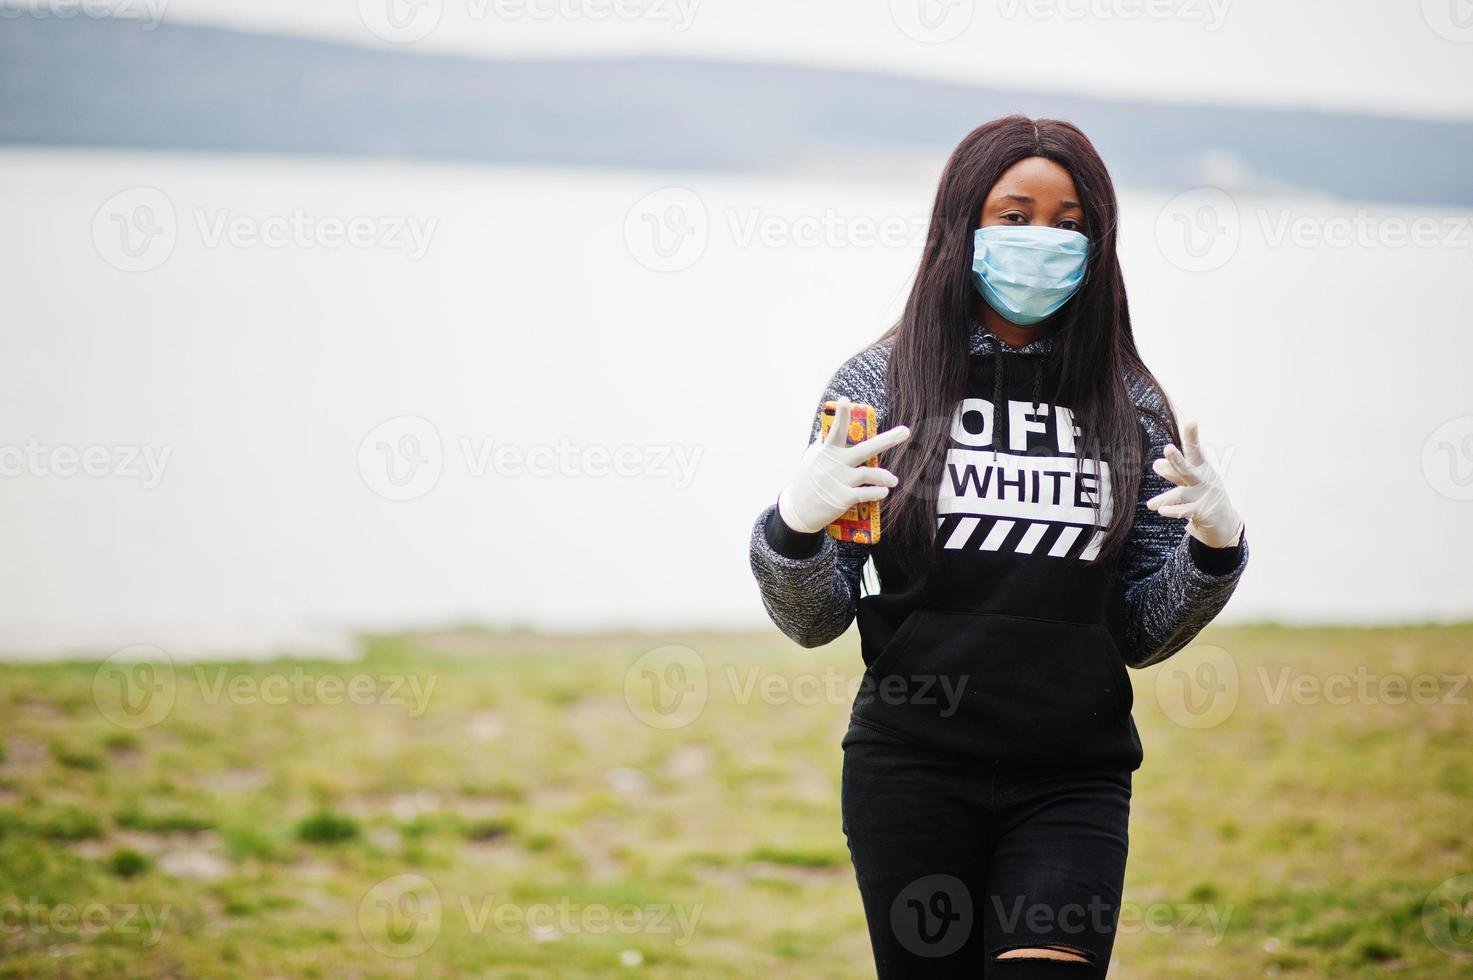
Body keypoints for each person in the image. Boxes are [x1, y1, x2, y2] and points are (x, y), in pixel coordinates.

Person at [748, 115, 1248, 978]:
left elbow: (1138, 633)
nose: (1041, 241)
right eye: (1013, 217)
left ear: (1098, 243)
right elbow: (814, 618)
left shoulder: (1128, 402)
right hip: (910, 773)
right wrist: (791, 527)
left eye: (1067, 223)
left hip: (1071, 781)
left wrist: (1211, 553)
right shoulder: (882, 385)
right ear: (962, 226)